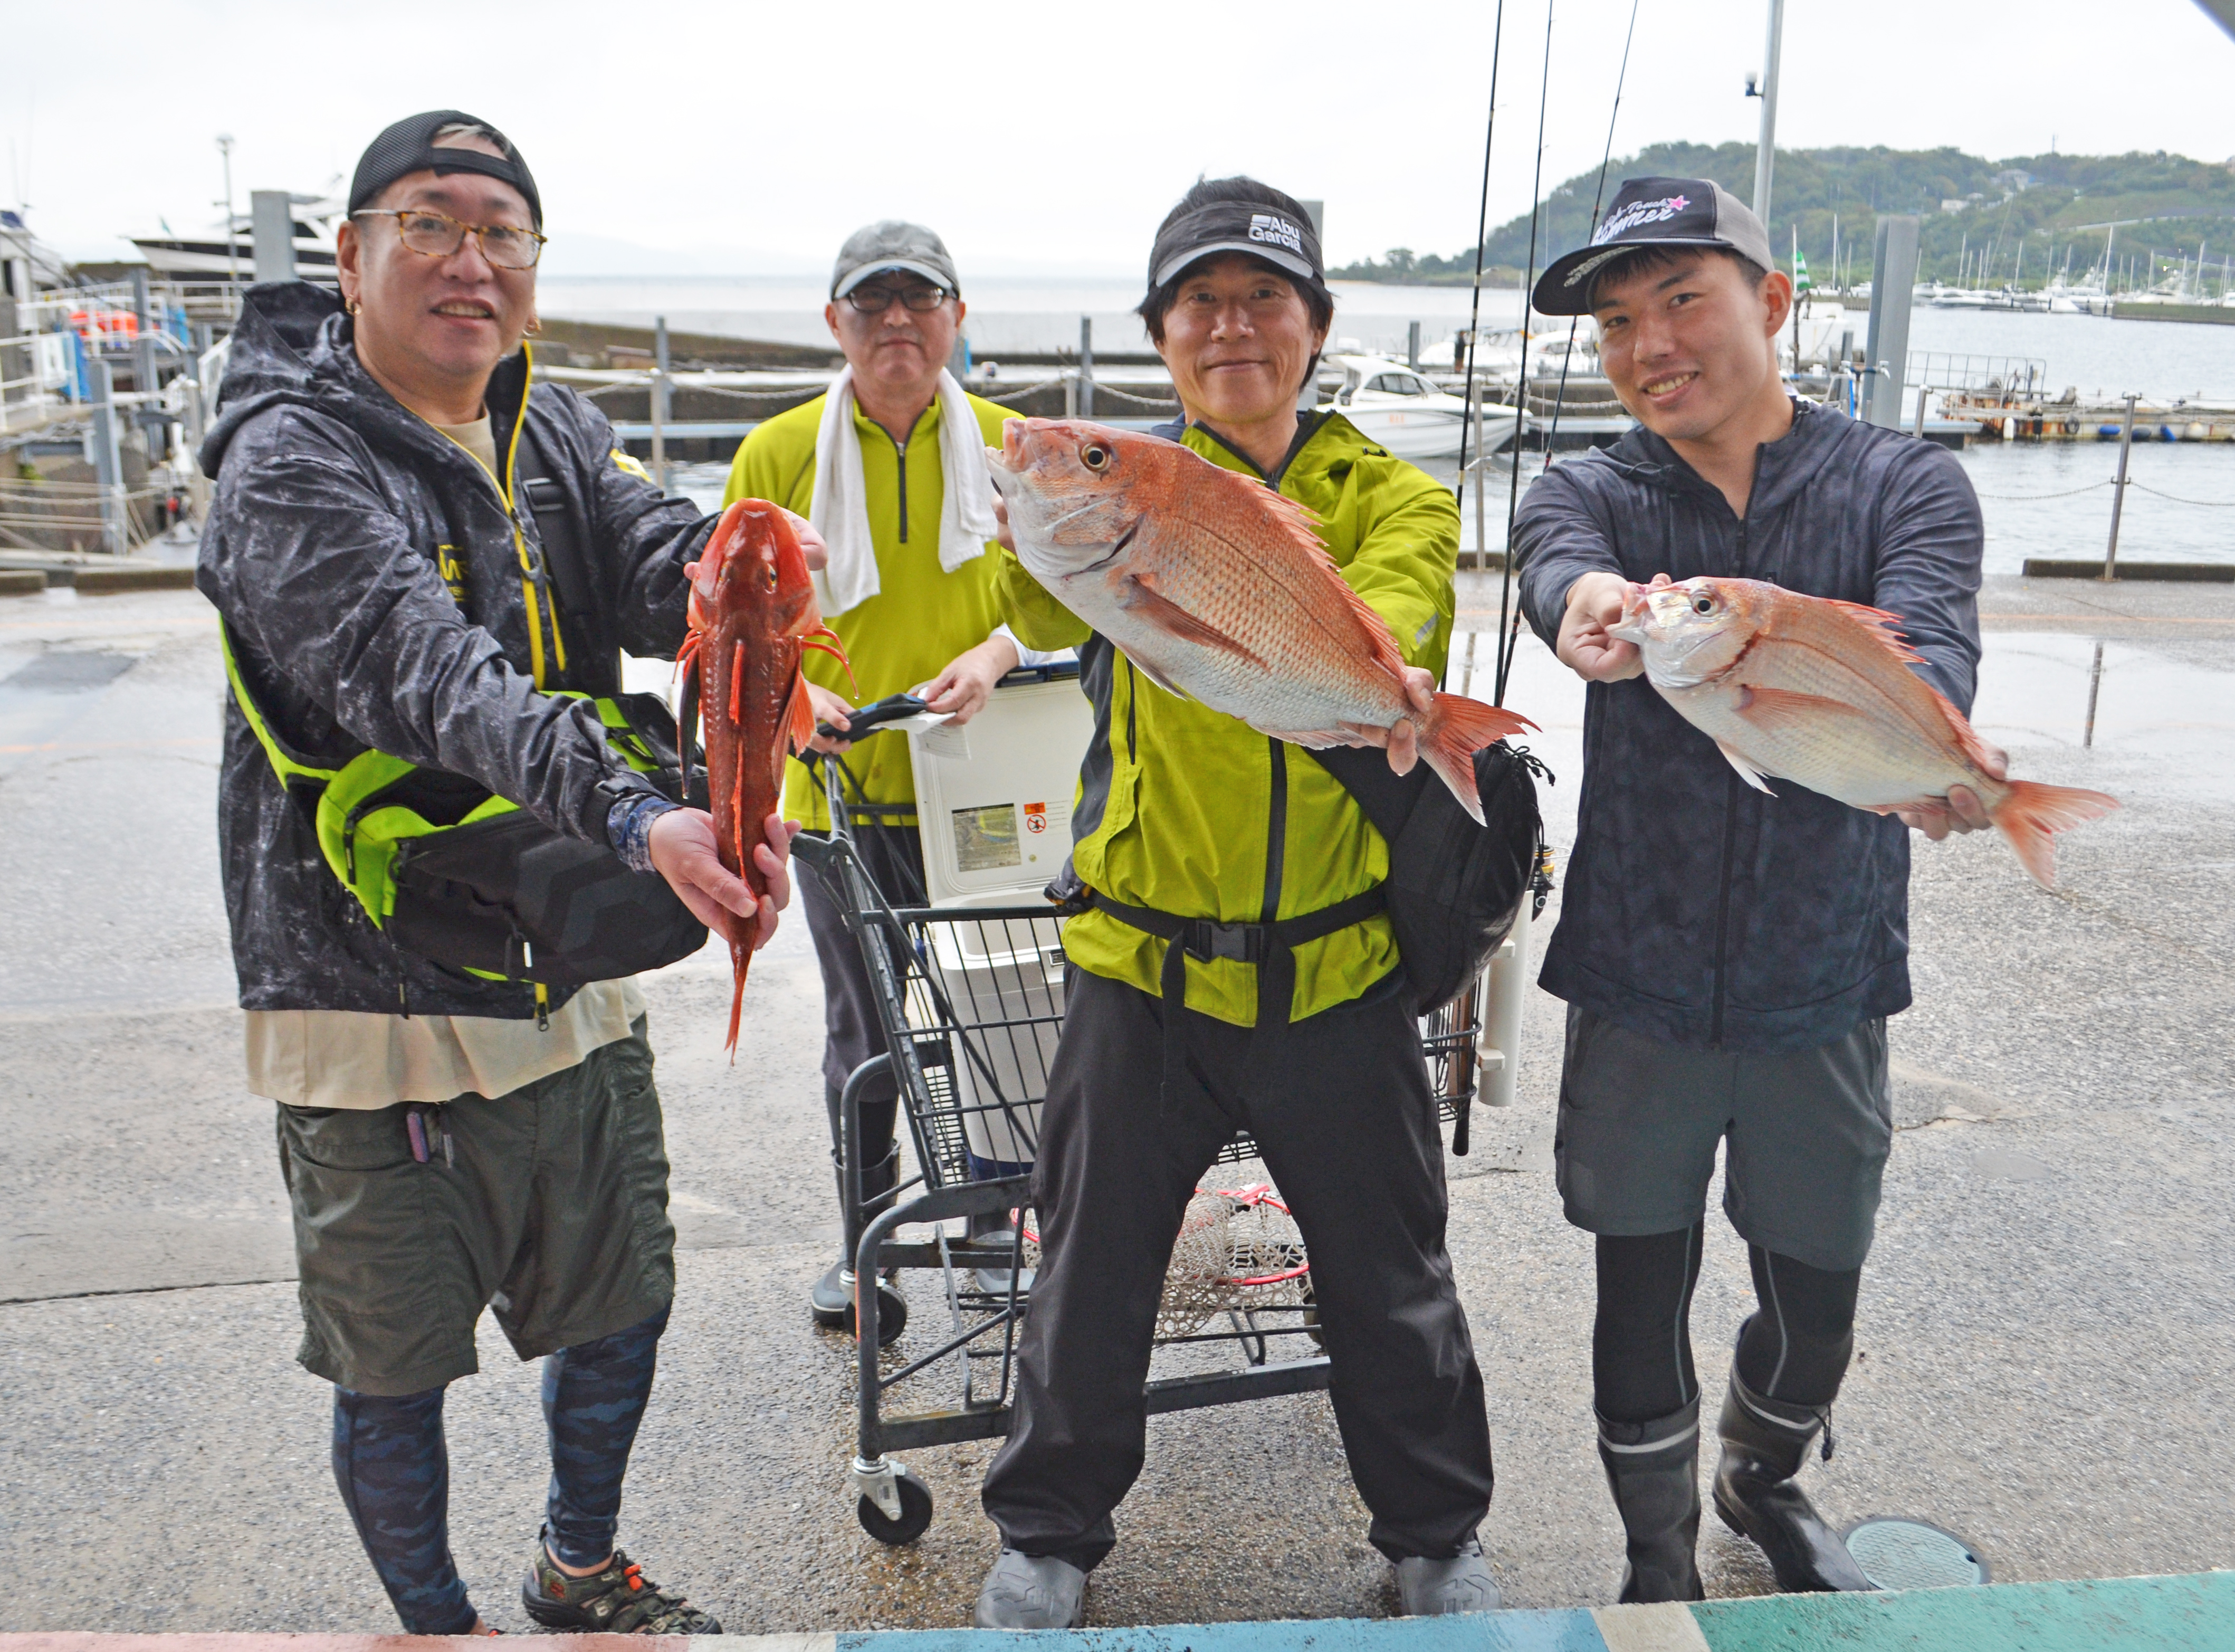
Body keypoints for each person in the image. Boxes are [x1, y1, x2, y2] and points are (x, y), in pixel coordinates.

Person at [197, 111, 803, 1635]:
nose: (472, 260)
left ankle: (578, 1565)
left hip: (564, 961)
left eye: (504, 232)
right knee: (392, 1363)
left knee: (624, 1298)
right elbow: (432, 677)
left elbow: (653, 554)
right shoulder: (286, 461)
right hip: (369, 1004)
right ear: (351, 258)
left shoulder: (554, 424)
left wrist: (740, 585)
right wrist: (637, 816)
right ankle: (438, 1627)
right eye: (431, 223)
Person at [970, 177, 1500, 1629]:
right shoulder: (1126, 486)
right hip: (1138, 957)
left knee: (1391, 1273)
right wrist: (1022, 548)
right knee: (1087, 1271)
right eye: (1199, 302)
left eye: (1265, 297)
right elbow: (1021, 605)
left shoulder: (1396, 493)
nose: (1233, 327)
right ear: (1161, 336)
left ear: (1316, 326)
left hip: (1336, 963)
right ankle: (1048, 1531)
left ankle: (1434, 1532)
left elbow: (1399, 615)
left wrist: (1362, 664)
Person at [1511, 178, 1988, 1602]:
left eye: (1681, 300)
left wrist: (1932, 747)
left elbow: (1935, 646)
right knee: (1636, 1280)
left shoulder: (1902, 482)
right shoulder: (1591, 490)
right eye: (1615, 322)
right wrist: (1585, 605)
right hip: (1636, 973)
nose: (1648, 344)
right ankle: (1656, 1555)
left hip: (1823, 974)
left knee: (1818, 1284)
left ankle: (1762, 1477)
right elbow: (1559, 569)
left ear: (1771, 302)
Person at [723, 220, 1054, 1325]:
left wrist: (1000, 652)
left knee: (1002, 1013)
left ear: (959, 318)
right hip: (840, 793)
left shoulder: (1015, 445)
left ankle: (996, 1225)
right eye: (873, 303)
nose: (898, 322)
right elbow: (730, 623)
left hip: (983, 784)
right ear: (835, 322)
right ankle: (865, 1247)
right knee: (864, 1035)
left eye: (922, 300)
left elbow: (1064, 598)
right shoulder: (775, 454)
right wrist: (792, 698)